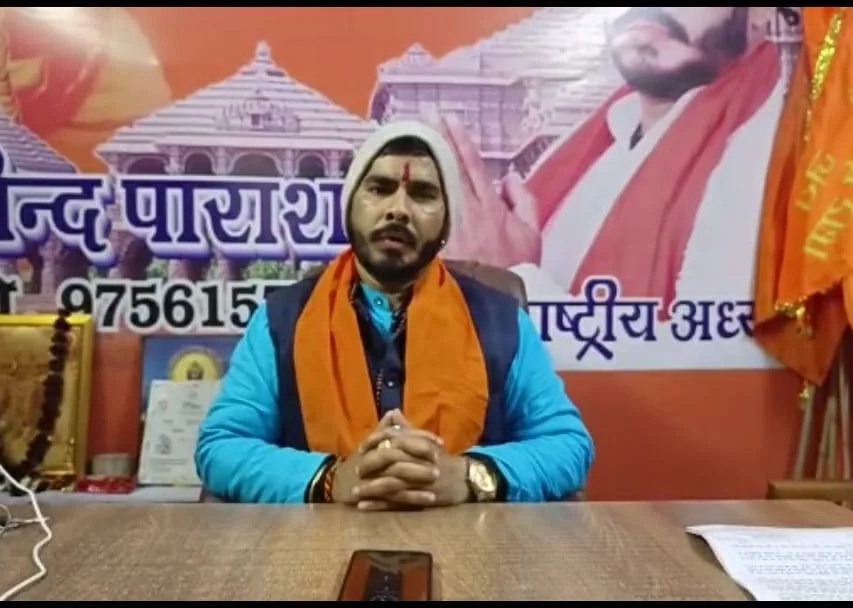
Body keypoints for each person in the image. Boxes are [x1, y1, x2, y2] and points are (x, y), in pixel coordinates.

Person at [194, 120, 595, 508]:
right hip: (315, 545)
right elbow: (222, 446)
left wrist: (469, 476)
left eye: (422, 194)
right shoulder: (282, 321)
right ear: (350, 205)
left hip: (471, 544)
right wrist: (330, 479)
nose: (398, 209)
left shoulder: (500, 321)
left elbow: (568, 444)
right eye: (380, 189)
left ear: (446, 222)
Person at [439, 7, 788, 312]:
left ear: (761, 12)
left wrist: (504, 284)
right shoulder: (596, 135)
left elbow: (718, 359)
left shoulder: (771, 152)